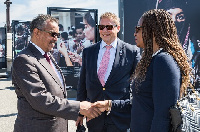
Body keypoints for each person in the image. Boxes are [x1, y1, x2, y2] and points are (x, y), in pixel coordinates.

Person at [12, 14, 102, 132]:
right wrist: (79, 107)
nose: (56, 38)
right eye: (52, 34)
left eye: (57, 35)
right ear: (36, 32)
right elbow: (40, 99)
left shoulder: (47, 55)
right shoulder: (24, 60)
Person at [76, 12, 141, 132]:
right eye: (101, 27)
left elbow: (140, 86)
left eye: (109, 27)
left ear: (118, 28)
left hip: (120, 119)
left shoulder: (132, 52)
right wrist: (79, 112)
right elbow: (82, 84)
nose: (105, 30)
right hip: (94, 118)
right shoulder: (88, 52)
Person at [131, 9, 192, 132]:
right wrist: (110, 104)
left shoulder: (163, 61)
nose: (135, 33)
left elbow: (163, 115)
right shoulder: (154, 59)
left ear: (152, 31)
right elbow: (144, 103)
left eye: (138, 29)